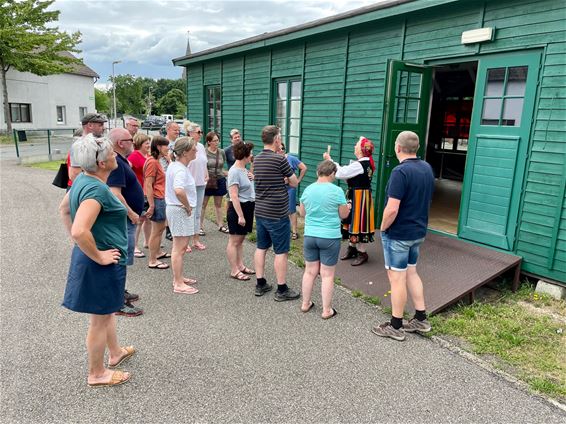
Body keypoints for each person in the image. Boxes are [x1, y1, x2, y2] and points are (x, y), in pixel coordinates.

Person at [59, 134, 134, 387]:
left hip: (95, 257)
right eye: (111, 154)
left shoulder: (82, 178)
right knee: (99, 320)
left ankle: (115, 353)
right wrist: (98, 254)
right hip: (101, 261)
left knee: (106, 310)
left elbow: (65, 210)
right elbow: (80, 230)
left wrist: (81, 245)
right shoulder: (96, 189)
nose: (115, 156)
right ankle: (97, 373)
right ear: (102, 163)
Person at [371, 131, 435, 341]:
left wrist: (382, 228)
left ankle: (396, 325)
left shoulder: (400, 172)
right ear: (416, 148)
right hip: (417, 232)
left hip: (399, 233)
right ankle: (420, 318)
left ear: (397, 147)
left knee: (396, 279)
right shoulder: (426, 168)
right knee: (411, 273)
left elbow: (392, 209)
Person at [253, 125, 299, 300]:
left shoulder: (257, 159)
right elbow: (294, 182)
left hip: (261, 210)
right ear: (276, 139)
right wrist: (286, 178)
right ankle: (281, 289)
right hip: (277, 212)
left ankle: (260, 283)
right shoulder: (280, 160)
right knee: (281, 251)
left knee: (261, 247)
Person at [298, 160, 350, 319]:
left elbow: (302, 213)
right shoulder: (337, 191)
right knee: (327, 274)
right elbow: (343, 215)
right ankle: (326, 310)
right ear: (332, 173)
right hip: (329, 237)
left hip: (310, 235)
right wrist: (348, 206)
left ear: (318, 173)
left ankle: (305, 303)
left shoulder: (308, 189)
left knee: (309, 271)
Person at [107, 128, 147, 317]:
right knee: (120, 259)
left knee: (123, 258)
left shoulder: (121, 161)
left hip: (129, 218)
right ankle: (117, 302)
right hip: (123, 220)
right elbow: (115, 193)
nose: (133, 141)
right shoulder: (115, 163)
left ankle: (119, 292)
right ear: (120, 143)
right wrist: (131, 213)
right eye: (130, 139)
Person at [324, 136, 376, 266]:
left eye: (356, 145)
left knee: (358, 223)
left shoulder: (359, 165)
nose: (354, 147)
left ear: (361, 150)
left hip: (359, 197)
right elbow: (346, 173)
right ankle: (352, 248)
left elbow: (340, 173)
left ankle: (362, 252)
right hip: (360, 196)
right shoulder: (365, 163)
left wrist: (330, 161)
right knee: (354, 221)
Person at [165, 137, 200, 295]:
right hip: (179, 210)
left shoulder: (176, 166)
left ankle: (178, 277)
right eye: (194, 148)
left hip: (178, 209)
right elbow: (178, 190)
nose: (196, 150)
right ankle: (178, 283)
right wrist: (187, 206)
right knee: (179, 248)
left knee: (180, 248)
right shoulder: (179, 169)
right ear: (185, 152)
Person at [226, 142, 256, 281]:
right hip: (239, 209)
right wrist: (241, 216)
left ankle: (241, 265)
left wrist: (252, 177)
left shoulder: (244, 169)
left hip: (248, 206)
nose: (252, 155)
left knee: (241, 240)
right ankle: (234, 270)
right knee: (234, 240)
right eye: (250, 153)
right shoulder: (234, 171)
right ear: (245, 155)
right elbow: (233, 195)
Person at [144, 135, 171, 270]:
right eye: (166, 145)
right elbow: (148, 184)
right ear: (159, 147)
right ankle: (152, 260)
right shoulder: (153, 162)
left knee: (159, 230)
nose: (168, 148)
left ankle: (158, 253)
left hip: (161, 197)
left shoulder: (158, 160)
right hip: (157, 198)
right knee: (157, 230)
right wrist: (152, 204)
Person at [128, 133, 151, 259]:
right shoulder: (134, 156)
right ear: (140, 144)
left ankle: (147, 241)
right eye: (146, 143)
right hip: (138, 190)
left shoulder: (147, 155)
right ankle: (134, 246)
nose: (148, 145)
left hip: (148, 190)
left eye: (149, 143)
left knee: (148, 218)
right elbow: (128, 170)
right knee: (139, 220)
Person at [185, 121, 208, 248]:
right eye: (198, 132)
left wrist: (206, 173)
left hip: (201, 183)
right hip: (188, 184)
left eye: (201, 132)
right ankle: (185, 242)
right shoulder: (185, 145)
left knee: (198, 212)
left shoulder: (200, 146)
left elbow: (203, 162)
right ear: (190, 133)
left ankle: (196, 240)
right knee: (188, 212)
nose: (201, 134)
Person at [278, 143, 307, 240]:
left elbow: (304, 168)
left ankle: (294, 232)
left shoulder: (291, 158)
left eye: (283, 148)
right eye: (279, 149)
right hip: (278, 188)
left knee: (291, 210)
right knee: (279, 209)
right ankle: (282, 230)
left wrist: (298, 180)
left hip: (290, 188)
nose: (281, 150)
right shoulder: (274, 159)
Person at [68, 113, 107, 183]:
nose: (104, 128)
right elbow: (75, 173)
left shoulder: (97, 143)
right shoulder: (80, 145)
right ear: (90, 125)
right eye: (100, 125)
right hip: (91, 187)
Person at [202, 131, 229, 234]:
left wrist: (226, 173)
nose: (217, 142)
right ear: (209, 142)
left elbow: (222, 166)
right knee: (203, 204)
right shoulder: (204, 152)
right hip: (208, 180)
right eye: (214, 141)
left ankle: (221, 225)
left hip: (220, 179)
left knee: (218, 204)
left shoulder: (221, 152)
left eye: (218, 140)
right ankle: (200, 227)